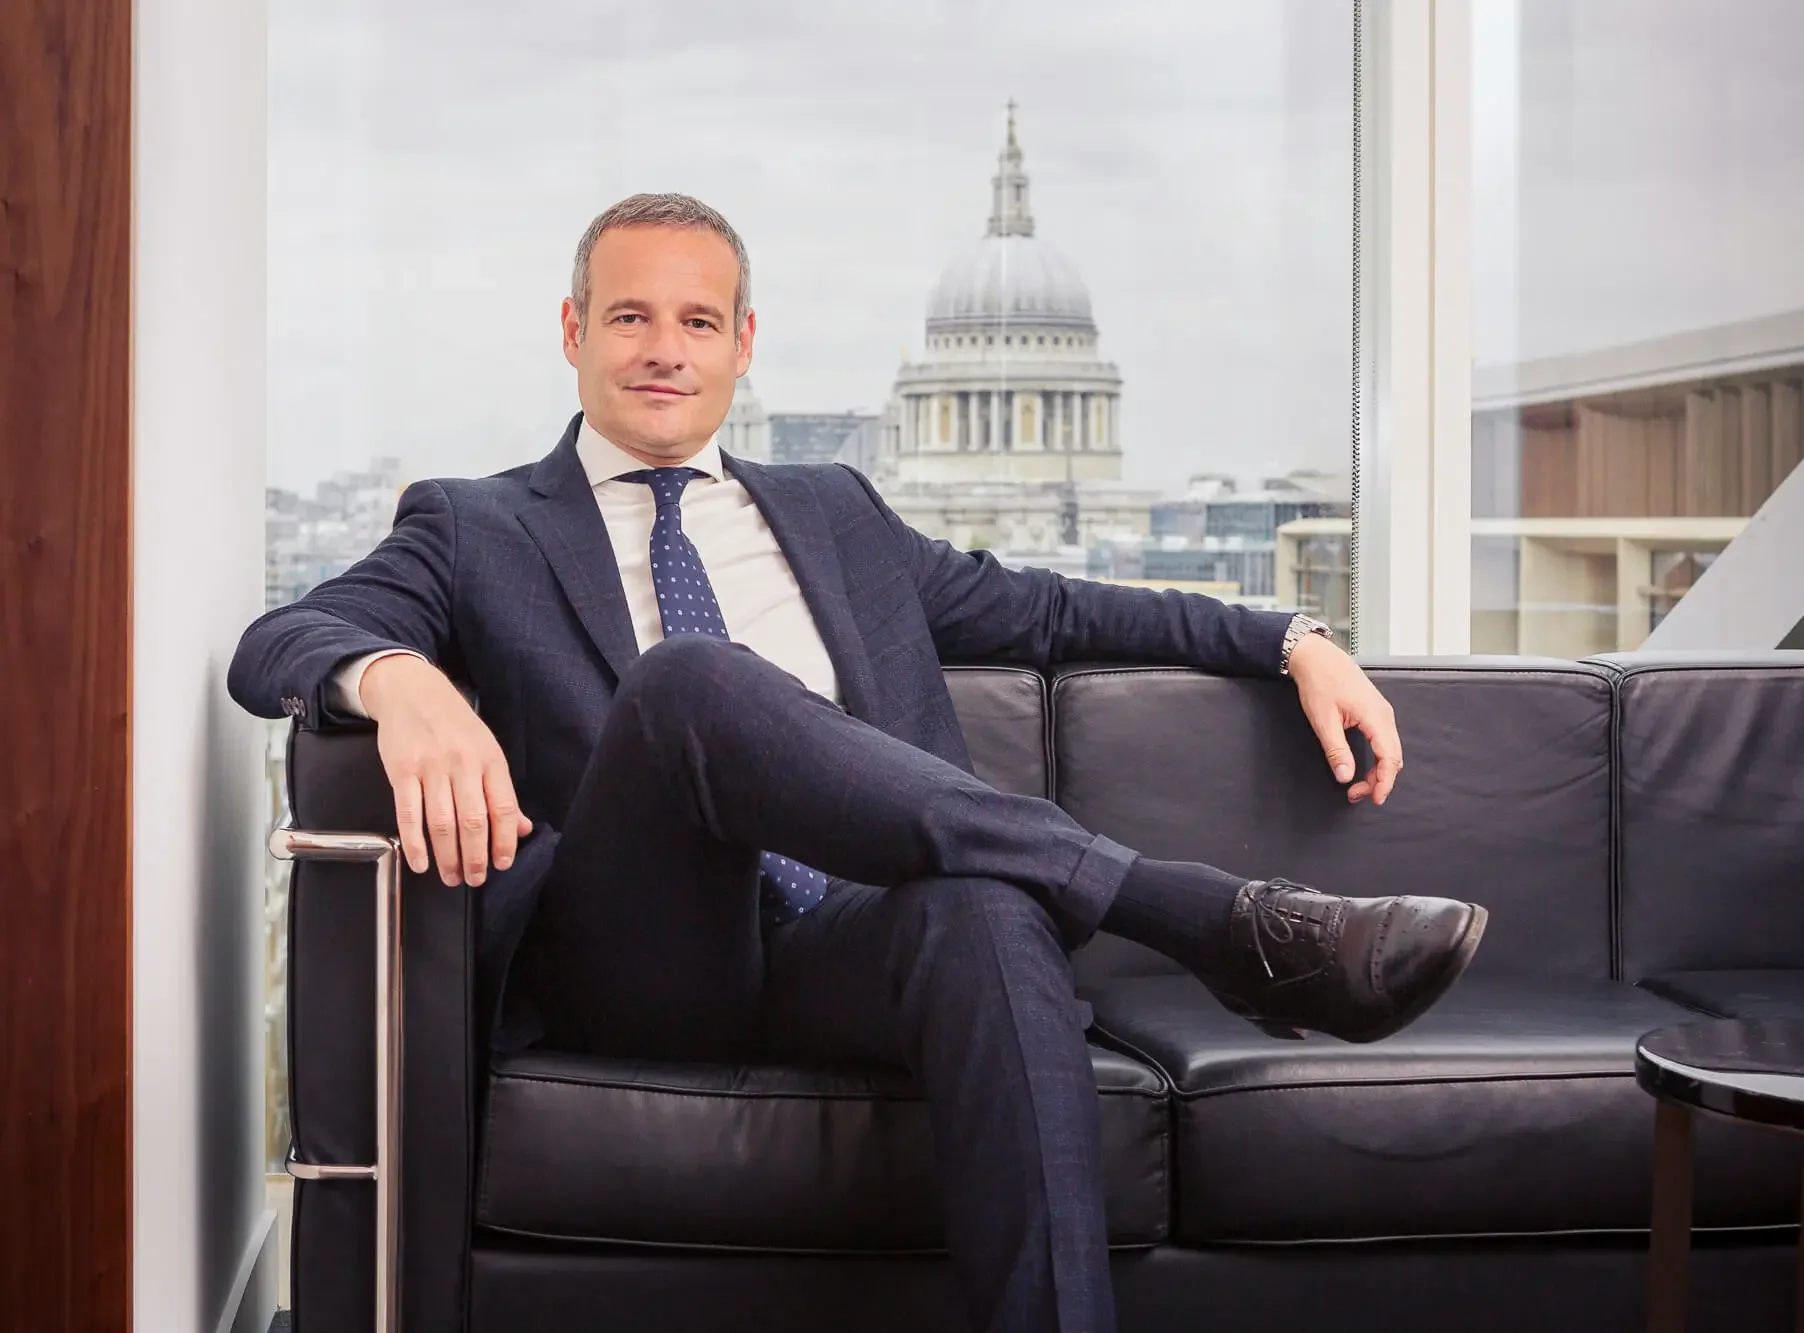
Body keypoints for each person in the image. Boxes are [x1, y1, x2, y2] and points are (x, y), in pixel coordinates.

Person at [229, 193, 1487, 1333]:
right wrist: (393, 677)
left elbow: (1052, 611)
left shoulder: (834, 509)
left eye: (697, 319)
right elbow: (279, 638)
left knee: (990, 912)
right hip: (645, 955)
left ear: (742, 344)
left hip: (848, 943)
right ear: (571, 331)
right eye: (629, 315)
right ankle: (1201, 916)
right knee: (691, 679)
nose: (665, 347)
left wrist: (1289, 633)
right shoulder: (476, 522)